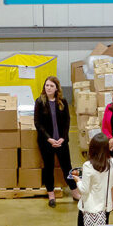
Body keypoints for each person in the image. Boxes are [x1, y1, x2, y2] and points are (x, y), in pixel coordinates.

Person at [34, 76, 80, 208]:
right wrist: (49, 138)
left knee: (67, 167)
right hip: (46, 142)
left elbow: (67, 122)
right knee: (48, 168)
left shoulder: (63, 102)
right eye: (46, 85)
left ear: (56, 88)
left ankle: (75, 193)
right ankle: (51, 195)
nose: (48, 88)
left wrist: (63, 138)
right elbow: (38, 123)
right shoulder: (39, 102)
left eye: (51, 86)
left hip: (61, 141)